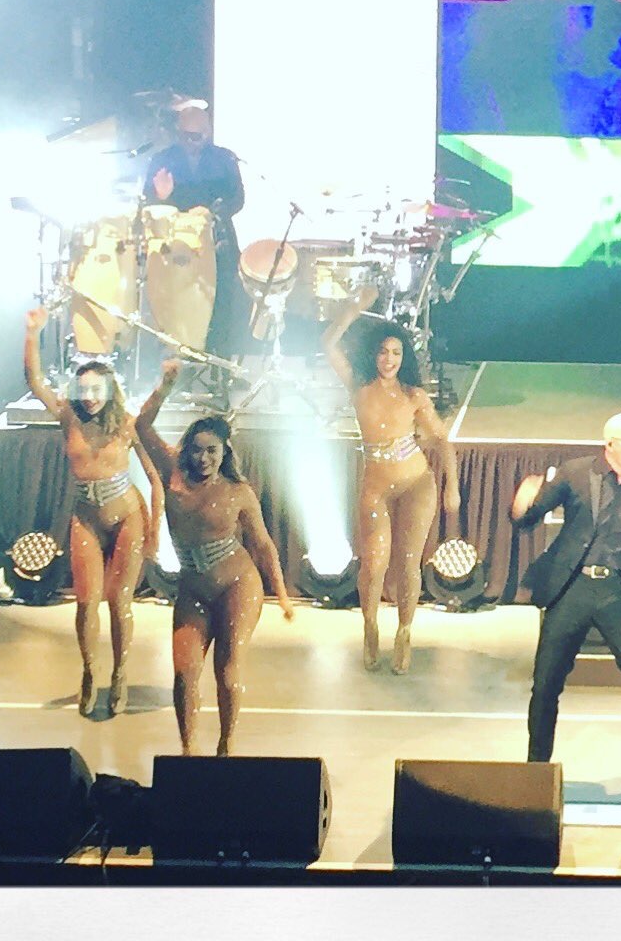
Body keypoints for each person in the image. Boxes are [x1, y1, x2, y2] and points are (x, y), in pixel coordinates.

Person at [135, 359, 294, 755]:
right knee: (184, 672)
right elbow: (141, 425)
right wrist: (165, 386)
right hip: (193, 589)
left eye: (212, 451)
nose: (203, 459)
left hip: (237, 585)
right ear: (186, 450)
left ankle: (226, 745)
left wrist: (282, 595)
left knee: (228, 667)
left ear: (224, 453)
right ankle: (188, 751)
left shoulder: (238, 492)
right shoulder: (172, 472)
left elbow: (262, 545)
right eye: (197, 450)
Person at [511, 412, 621, 767]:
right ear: (610, 445)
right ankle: (536, 773)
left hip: (620, 592)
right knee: (545, 686)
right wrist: (523, 503)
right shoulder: (574, 473)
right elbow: (529, 517)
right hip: (573, 587)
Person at [23, 306, 163, 717]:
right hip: (86, 517)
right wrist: (32, 333)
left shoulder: (127, 424)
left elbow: (155, 480)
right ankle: (89, 672)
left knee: (119, 602)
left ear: (110, 390)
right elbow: (34, 381)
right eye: (83, 389)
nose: (90, 397)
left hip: (127, 517)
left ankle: (120, 674)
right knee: (86, 602)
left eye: (97, 390)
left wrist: (155, 531)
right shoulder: (68, 417)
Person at [322, 286, 461, 673]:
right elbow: (328, 343)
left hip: (416, 483)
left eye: (397, 353)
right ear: (374, 354)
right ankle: (370, 626)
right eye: (383, 352)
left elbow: (442, 440)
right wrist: (353, 309)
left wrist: (452, 487)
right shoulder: (358, 386)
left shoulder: (414, 395)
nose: (389, 359)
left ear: (404, 358)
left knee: (408, 562)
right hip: (376, 485)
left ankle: (404, 631)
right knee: (374, 564)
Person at [142, 103, 248, 363]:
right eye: (185, 136)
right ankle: (176, 365)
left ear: (207, 132)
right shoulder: (163, 160)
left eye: (196, 136)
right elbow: (148, 201)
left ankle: (221, 367)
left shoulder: (224, 158)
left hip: (216, 241)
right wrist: (161, 196)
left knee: (220, 306)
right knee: (175, 306)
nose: (191, 142)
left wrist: (211, 212)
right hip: (175, 248)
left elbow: (237, 198)